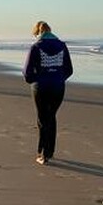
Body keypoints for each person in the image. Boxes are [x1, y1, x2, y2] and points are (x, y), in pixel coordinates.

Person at [22, 21, 73, 165]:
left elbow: (27, 72)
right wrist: (58, 78)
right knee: (51, 117)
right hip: (58, 87)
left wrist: (35, 80)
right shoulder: (62, 46)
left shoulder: (36, 47)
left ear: (37, 32)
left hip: (41, 88)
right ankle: (50, 152)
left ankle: (42, 153)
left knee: (43, 119)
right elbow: (69, 69)